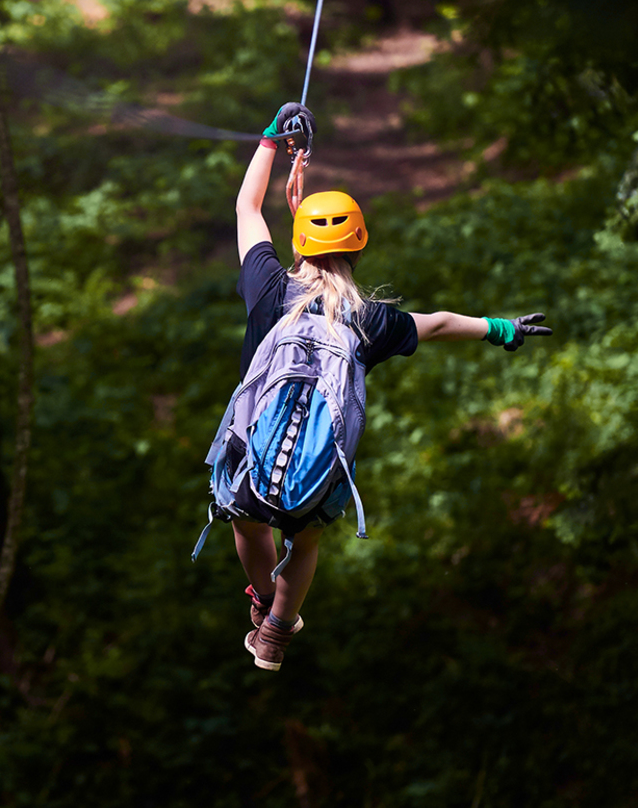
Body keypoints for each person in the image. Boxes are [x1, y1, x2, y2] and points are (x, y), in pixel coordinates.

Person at [215, 102, 552, 671]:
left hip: (254, 457)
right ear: (359, 245)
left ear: (298, 244)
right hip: (317, 470)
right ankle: (276, 632)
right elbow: (440, 323)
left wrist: (272, 138)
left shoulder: (268, 290)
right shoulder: (368, 320)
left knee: (245, 521)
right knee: (305, 538)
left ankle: (267, 602)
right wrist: (501, 329)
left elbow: (247, 206)